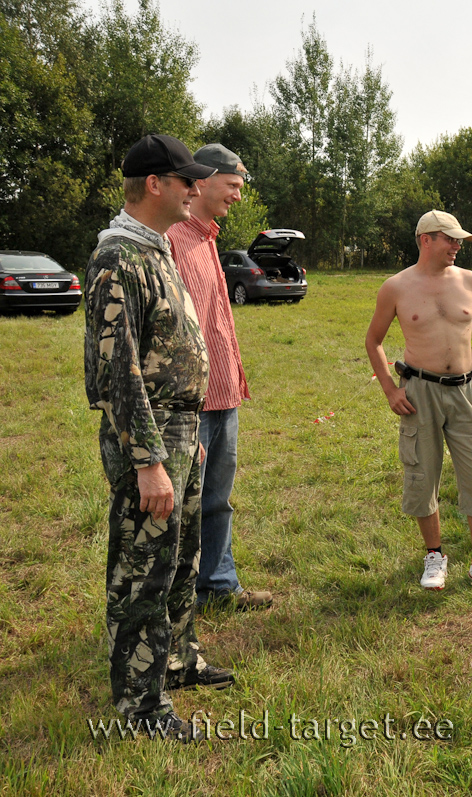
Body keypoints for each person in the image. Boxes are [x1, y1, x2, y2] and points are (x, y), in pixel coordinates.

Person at [84, 134, 233, 742]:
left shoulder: (156, 250)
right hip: (148, 440)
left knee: (181, 559)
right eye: (185, 180)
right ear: (155, 185)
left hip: (180, 432)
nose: (195, 189)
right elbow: (116, 374)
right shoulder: (118, 257)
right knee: (143, 570)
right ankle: (139, 705)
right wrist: (148, 460)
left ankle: (177, 659)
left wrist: (189, 437)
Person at [365, 210, 472, 591]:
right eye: (450, 239)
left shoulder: (469, 281)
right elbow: (374, 340)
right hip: (420, 394)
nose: (457, 246)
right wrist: (390, 389)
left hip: (466, 393)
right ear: (426, 240)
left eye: (458, 240)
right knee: (422, 474)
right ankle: (434, 556)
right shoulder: (397, 287)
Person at [167, 144, 273, 613]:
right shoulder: (169, 237)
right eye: (232, 186)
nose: (237, 196)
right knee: (181, 504)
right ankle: (176, 597)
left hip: (224, 393)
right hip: (190, 402)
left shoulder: (207, 236)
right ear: (204, 180)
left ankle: (218, 585)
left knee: (217, 499)